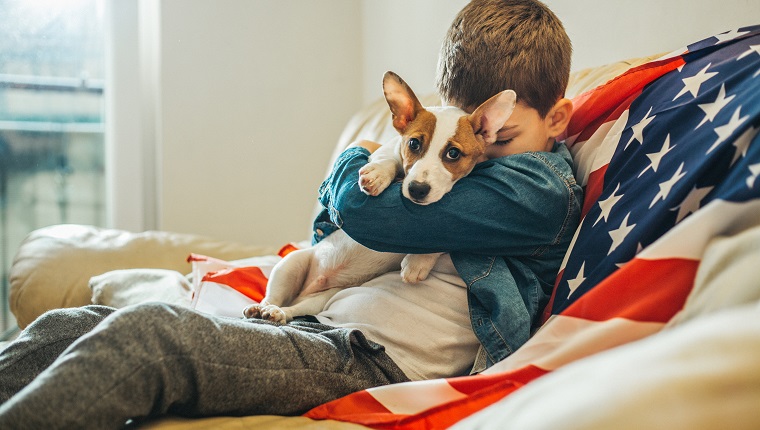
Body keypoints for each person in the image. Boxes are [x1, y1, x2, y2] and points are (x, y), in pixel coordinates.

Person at [0, 1, 581, 428]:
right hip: (322, 321)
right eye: (462, 129)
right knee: (74, 323)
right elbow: (336, 231)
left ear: (555, 121)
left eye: (495, 135)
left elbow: (360, 210)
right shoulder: (455, 152)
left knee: (150, 339)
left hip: (371, 359)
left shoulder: (533, 190)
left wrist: (360, 159)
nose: (478, 155)